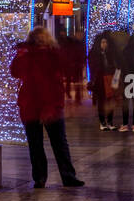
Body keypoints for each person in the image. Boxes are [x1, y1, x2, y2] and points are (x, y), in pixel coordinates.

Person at [10, 27, 84, 188]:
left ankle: (53, 177)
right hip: (36, 104)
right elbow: (15, 71)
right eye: (38, 39)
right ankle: (48, 177)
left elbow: (66, 68)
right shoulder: (31, 54)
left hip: (46, 104)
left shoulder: (52, 54)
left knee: (52, 143)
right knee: (44, 144)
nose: (41, 41)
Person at [88, 32, 121, 130]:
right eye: (102, 42)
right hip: (100, 80)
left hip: (110, 79)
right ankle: (102, 122)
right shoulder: (94, 54)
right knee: (102, 102)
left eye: (106, 42)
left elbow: (117, 66)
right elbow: (93, 67)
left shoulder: (111, 53)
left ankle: (110, 122)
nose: (104, 44)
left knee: (110, 100)